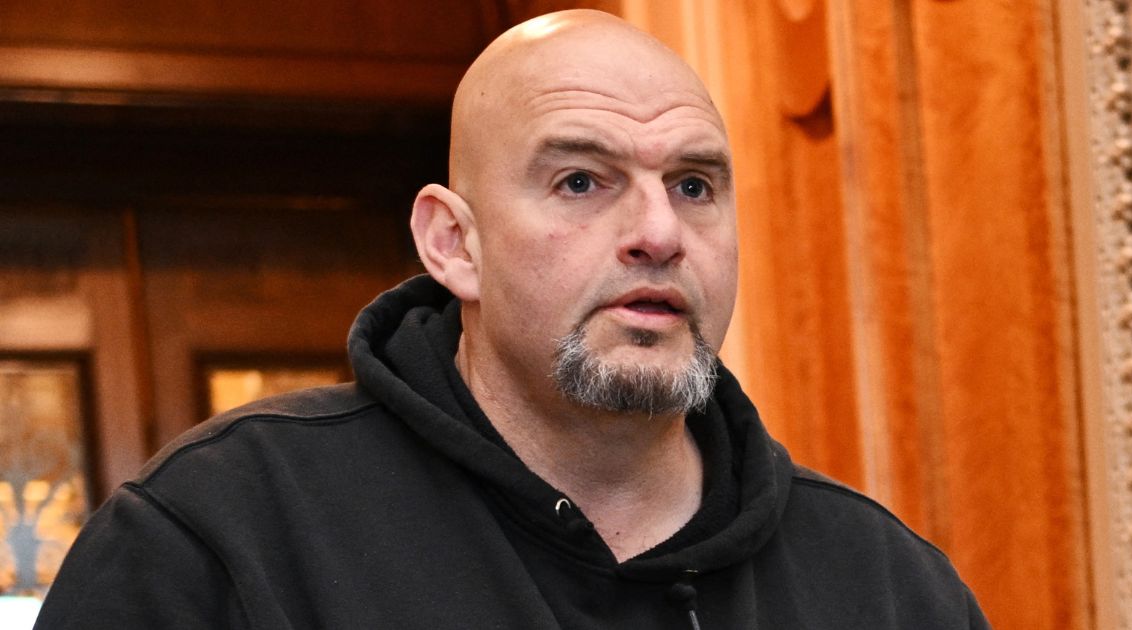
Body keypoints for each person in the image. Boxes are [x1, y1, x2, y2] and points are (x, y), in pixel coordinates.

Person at [35, 9, 988, 629]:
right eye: (582, 180)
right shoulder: (224, 535)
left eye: (694, 185)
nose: (658, 232)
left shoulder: (888, 587)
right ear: (453, 243)